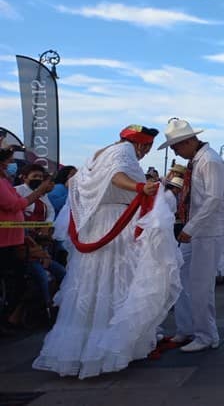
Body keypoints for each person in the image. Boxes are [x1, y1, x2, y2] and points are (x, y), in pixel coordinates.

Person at [33, 125, 161, 378]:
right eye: (147, 148)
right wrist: (140, 188)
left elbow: (75, 181)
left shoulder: (98, 154)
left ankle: (83, 346)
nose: (145, 153)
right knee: (116, 279)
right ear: (140, 144)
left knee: (91, 284)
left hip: (98, 223)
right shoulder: (123, 152)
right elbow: (115, 176)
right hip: (115, 220)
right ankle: (111, 346)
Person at [160, 119, 224, 353]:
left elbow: (214, 199)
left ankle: (206, 334)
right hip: (197, 229)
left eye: (177, 147)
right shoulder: (197, 161)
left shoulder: (209, 160)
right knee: (182, 278)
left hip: (208, 230)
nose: (175, 152)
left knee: (201, 284)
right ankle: (188, 328)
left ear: (190, 141)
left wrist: (191, 228)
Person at [14, 164, 66, 315]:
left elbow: (50, 214)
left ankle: (58, 305)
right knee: (42, 277)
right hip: (25, 245)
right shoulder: (18, 192)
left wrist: (46, 227)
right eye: (34, 176)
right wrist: (37, 227)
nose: (38, 179)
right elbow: (19, 218)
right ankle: (47, 308)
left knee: (62, 272)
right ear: (24, 177)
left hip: (41, 243)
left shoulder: (43, 195)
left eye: (40, 177)